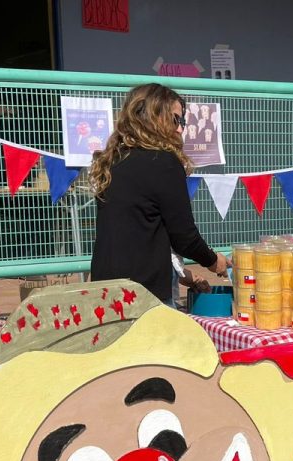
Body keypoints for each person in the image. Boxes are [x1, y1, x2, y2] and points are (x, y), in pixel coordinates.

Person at [89, 83, 228, 305]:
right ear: (155, 118)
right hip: (144, 293)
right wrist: (213, 261)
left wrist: (186, 274)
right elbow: (184, 237)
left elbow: (135, 233)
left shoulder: (113, 160)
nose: (181, 129)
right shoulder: (163, 162)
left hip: (105, 286)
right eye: (176, 120)